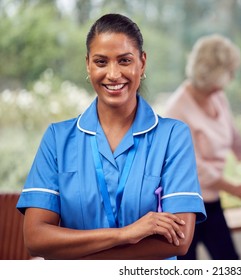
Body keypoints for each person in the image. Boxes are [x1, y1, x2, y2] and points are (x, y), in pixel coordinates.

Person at [16, 13, 206, 260]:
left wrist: (76, 257)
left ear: (142, 63)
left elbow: (178, 241)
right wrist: (125, 234)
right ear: (88, 65)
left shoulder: (172, 136)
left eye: (125, 61)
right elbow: (35, 238)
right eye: (101, 62)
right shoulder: (57, 139)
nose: (113, 74)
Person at [164, 34, 241, 260]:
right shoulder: (177, 110)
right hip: (184, 206)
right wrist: (234, 188)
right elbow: (194, 166)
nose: (233, 76)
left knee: (230, 261)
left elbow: (233, 136)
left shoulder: (218, 97)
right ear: (216, 72)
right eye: (230, 71)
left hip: (212, 202)